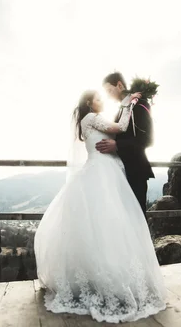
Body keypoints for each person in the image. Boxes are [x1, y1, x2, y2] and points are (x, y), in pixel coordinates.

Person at [34, 89, 166, 323]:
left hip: (108, 171)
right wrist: (127, 105)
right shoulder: (92, 118)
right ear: (88, 102)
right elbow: (122, 128)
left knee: (111, 224)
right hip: (104, 173)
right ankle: (107, 278)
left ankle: (114, 274)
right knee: (107, 222)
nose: (101, 101)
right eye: (97, 99)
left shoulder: (90, 121)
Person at [97, 72, 155, 213]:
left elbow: (147, 139)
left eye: (109, 90)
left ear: (120, 85)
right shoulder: (121, 110)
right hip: (120, 171)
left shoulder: (139, 105)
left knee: (137, 216)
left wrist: (117, 145)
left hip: (135, 170)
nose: (108, 95)